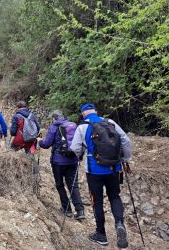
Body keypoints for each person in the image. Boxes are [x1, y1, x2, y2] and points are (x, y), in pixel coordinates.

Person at [71, 103, 132, 248]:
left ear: (84, 113)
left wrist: (80, 155)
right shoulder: (110, 122)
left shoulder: (83, 126)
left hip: (94, 170)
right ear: (96, 112)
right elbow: (126, 141)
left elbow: (75, 147)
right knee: (114, 196)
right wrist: (125, 159)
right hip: (113, 168)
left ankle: (101, 234)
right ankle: (119, 223)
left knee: (96, 200)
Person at [37, 110, 85, 220]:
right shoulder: (73, 125)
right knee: (73, 185)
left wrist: (39, 141)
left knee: (59, 185)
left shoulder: (54, 127)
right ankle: (80, 210)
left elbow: (46, 144)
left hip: (58, 162)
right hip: (73, 161)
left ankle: (67, 209)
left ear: (54, 118)